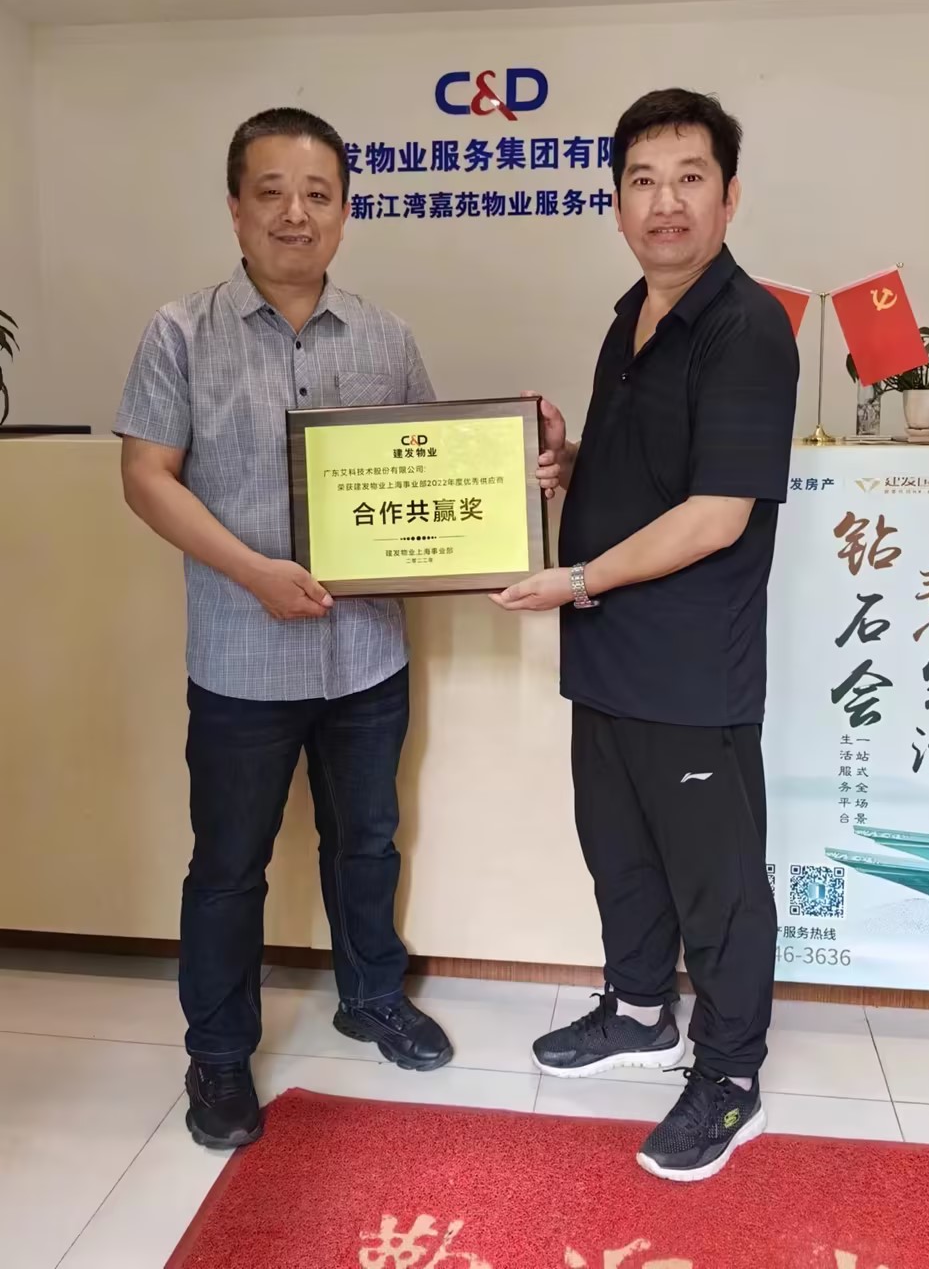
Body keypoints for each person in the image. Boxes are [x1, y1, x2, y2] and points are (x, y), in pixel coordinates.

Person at [115, 107, 451, 1151]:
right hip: (240, 660)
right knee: (228, 865)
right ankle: (218, 1053)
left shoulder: (388, 337)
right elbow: (145, 476)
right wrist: (252, 572)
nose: (294, 213)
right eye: (270, 192)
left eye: (317, 194)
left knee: (367, 841)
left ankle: (372, 996)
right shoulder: (180, 331)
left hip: (366, 657)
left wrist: (519, 468)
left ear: (344, 212)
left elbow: (438, 471)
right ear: (235, 207)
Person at [492, 88, 798, 1182]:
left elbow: (717, 513)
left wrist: (576, 576)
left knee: (717, 883)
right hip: (608, 652)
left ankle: (730, 1073)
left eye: (690, 178)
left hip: (689, 667)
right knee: (619, 852)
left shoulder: (748, 326)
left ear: (729, 195)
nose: (666, 202)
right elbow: (655, 474)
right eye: (643, 180)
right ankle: (637, 1012)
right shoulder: (631, 315)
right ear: (617, 200)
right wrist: (568, 462)